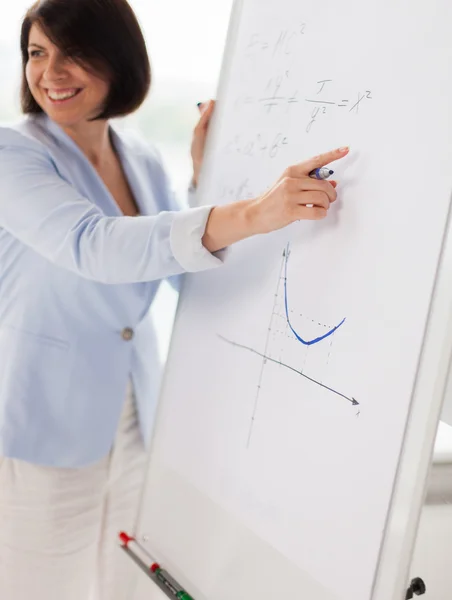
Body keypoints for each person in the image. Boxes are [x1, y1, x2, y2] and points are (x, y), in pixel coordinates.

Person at [0, 0, 349, 599]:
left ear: (118, 60)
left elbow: (182, 272)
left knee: (124, 584)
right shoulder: (13, 154)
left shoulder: (134, 156)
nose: (50, 72)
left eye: (72, 52)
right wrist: (254, 210)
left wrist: (201, 177)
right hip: (42, 418)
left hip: (135, 414)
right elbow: (95, 245)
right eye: (37, 53)